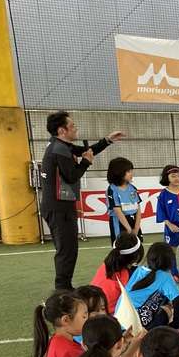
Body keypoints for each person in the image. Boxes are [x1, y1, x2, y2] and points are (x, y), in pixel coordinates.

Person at [40, 111, 125, 289]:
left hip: (61, 206)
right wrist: (86, 162)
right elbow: (72, 176)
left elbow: (86, 151)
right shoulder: (59, 149)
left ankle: (65, 286)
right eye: (72, 126)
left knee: (69, 249)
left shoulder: (62, 146)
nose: (76, 128)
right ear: (62, 130)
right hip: (59, 208)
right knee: (66, 250)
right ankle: (62, 289)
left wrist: (107, 140)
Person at [118, 242, 179, 330]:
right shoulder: (164, 277)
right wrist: (176, 325)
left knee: (162, 299)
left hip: (120, 323)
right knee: (167, 308)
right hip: (136, 326)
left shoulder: (139, 270)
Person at [154, 165, 179, 282]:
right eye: (173, 176)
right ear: (166, 178)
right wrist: (170, 225)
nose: (177, 178)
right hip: (171, 228)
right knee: (171, 251)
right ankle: (174, 274)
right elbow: (161, 212)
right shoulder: (163, 194)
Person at [90, 233, 144, 314]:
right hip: (109, 315)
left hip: (90, 306)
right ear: (136, 258)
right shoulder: (126, 277)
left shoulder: (106, 265)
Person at [105, 157, 142, 244]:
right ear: (118, 172)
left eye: (131, 171)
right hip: (119, 223)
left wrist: (136, 228)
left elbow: (138, 209)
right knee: (121, 247)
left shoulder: (132, 188)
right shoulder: (112, 189)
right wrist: (129, 230)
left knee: (137, 247)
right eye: (128, 171)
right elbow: (118, 211)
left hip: (133, 223)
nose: (131, 174)